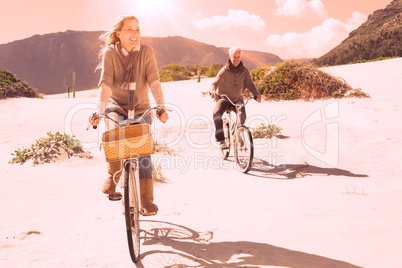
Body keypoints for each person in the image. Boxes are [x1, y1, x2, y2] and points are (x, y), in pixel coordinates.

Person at [89, 15, 168, 216]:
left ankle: (147, 201)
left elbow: (154, 81)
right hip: (117, 106)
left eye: (138, 29)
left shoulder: (147, 52)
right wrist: (100, 110)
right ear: (119, 34)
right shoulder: (110, 53)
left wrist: (161, 107)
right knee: (114, 132)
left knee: (143, 151)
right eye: (130, 29)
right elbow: (105, 83)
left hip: (142, 108)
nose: (135, 33)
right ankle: (113, 175)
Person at [209, 46, 262, 149]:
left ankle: (237, 134)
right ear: (230, 57)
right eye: (234, 56)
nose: (236, 59)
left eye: (238, 57)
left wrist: (256, 94)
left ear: (240, 57)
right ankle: (221, 141)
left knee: (241, 117)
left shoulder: (244, 71)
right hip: (224, 99)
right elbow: (214, 83)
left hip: (238, 99)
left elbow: (250, 85)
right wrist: (212, 92)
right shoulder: (224, 70)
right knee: (216, 114)